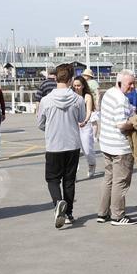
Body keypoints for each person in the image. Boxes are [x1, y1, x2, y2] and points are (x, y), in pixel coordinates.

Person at [38, 63, 86, 228]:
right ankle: (69, 212)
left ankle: (58, 203)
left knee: (52, 179)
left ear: (55, 78)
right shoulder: (78, 99)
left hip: (54, 144)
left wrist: (50, 127)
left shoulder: (46, 100)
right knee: (69, 180)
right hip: (72, 144)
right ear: (72, 80)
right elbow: (81, 119)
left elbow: (40, 123)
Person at [97, 70, 137, 225]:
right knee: (120, 182)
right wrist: (134, 123)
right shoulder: (121, 99)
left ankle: (102, 213)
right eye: (130, 84)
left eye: (134, 83)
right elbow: (121, 124)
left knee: (108, 178)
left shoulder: (108, 93)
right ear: (120, 83)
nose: (132, 87)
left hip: (106, 143)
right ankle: (118, 215)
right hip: (120, 147)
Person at [71, 76, 98, 177]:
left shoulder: (87, 96)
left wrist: (85, 121)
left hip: (85, 125)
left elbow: (89, 111)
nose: (76, 87)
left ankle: (91, 164)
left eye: (78, 85)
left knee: (87, 149)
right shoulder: (71, 95)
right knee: (74, 151)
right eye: (75, 86)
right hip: (73, 126)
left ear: (83, 86)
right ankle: (73, 172)